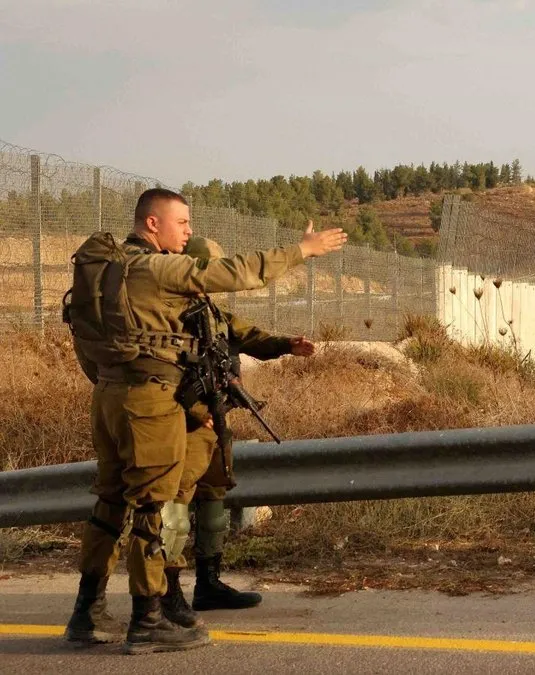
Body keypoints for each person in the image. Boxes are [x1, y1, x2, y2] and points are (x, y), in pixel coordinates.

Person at [63, 188, 346, 654]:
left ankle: (86, 612)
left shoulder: (110, 270)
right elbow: (235, 272)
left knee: (110, 502)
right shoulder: (154, 269)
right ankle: (148, 620)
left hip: (112, 396)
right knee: (154, 508)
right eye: (182, 222)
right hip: (151, 401)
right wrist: (302, 250)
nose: (188, 231)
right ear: (152, 223)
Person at [157, 236, 318, 629]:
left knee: (214, 495)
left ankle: (208, 584)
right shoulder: (165, 313)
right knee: (175, 505)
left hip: (215, 419)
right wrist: (196, 411)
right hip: (184, 424)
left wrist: (286, 345)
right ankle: (167, 591)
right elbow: (159, 373)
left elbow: (246, 335)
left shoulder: (212, 311)